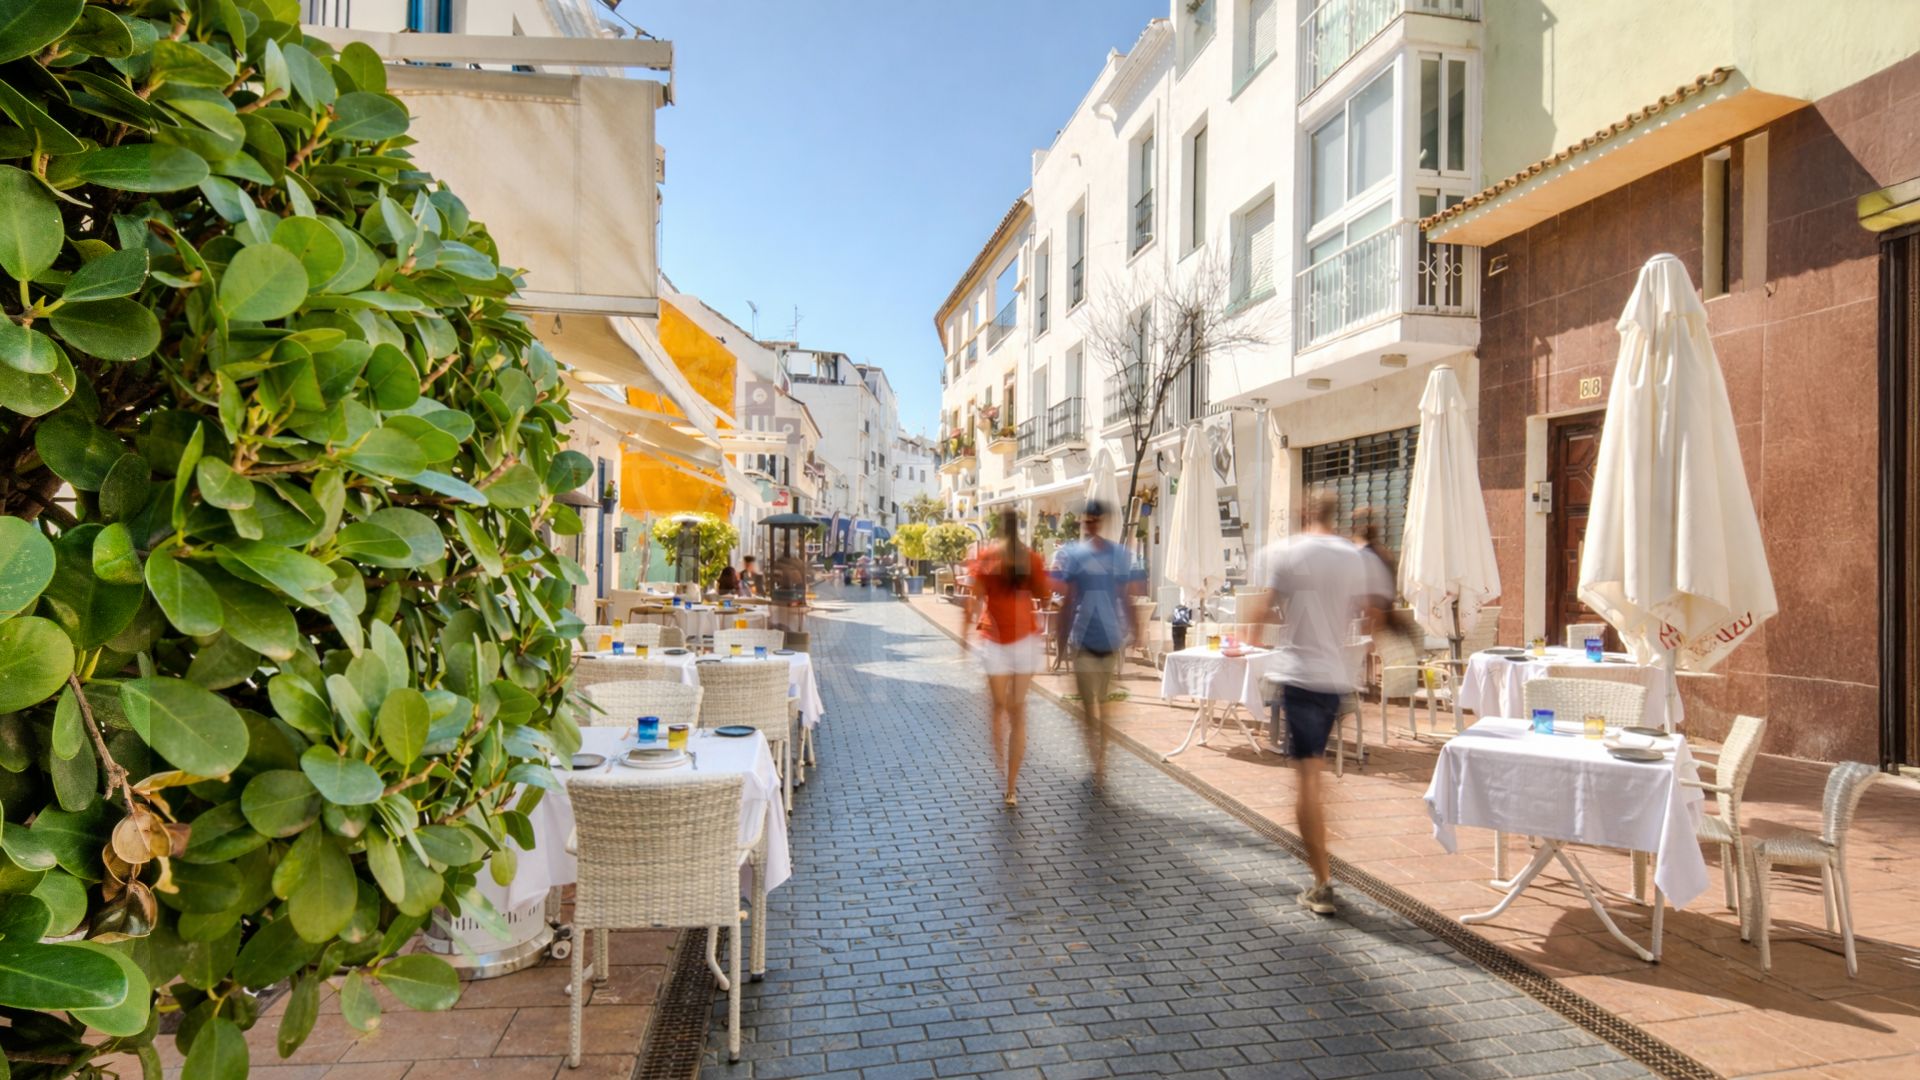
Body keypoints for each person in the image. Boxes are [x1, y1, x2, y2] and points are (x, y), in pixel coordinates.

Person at [1259, 490, 1390, 916]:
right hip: (1335, 680)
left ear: (1305, 513)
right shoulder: (1356, 558)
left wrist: (1257, 635)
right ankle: (1324, 865)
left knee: (1308, 782)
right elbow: (1375, 616)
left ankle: (1322, 882)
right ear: (1335, 516)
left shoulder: (1286, 552)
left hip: (1300, 677)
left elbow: (1263, 610)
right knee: (1317, 774)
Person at [962, 509, 1052, 807]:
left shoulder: (988, 557)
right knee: (1018, 711)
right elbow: (1044, 594)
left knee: (998, 707)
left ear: (999, 529)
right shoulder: (1031, 558)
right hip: (1025, 639)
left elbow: (974, 598)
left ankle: (1001, 765)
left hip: (996, 639)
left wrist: (963, 635)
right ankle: (1011, 786)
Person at [1053, 499, 1144, 787]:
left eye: (1092, 520)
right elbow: (1068, 600)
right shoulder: (1075, 555)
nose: (1089, 524)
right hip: (1082, 639)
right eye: (1086, 520)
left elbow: (1125, 596)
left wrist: (1136, 629)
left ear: (1100, 521)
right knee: (1087, 709)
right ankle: (1096, 759)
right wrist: (1061, 642)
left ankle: (1100, 762)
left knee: (1103, 705)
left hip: (1108, 639)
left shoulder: (1118, 555)